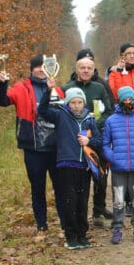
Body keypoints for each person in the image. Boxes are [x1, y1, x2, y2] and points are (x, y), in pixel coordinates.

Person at [0, 54, 65, 232]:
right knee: (37, 188)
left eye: (44, 66)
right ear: (31, 69)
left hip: (56, 148)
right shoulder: (20, 88)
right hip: (33, 147)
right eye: (37, 67)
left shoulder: (59, 89)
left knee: (61, 187)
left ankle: (65, 222)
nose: (41, 70)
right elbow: (1, 101)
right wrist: (1, 84)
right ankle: (42, 224)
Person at [38, 83, 101, 249]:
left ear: (84, 103)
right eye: (73, 102)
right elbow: (42, 111)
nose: (76, 105)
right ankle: (71, 236)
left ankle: (82, 235)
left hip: (84, 166)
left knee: (82, 201)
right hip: (66, 164)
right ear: (68, 103)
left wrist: (89, 141)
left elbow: (99, 141)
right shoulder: (60, 115)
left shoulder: (90, 119)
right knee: (69, 201)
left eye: (80, 102)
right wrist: (47, 90)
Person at [62, 56, 114, 225]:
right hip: (74, 142)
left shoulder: (100, 88)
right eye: (82, 68)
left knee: (100, 175)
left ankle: (98, 211)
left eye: (89, 68)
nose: (85, 71)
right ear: (77, 69)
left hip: (96, 138)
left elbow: (108, 112)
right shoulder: (68, 88)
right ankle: (75, 215)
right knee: (77, 180)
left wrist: (92, 126)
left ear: (93, 70)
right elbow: (61, 114)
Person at [102, 86, 134, 243]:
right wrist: (113, 158)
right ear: (120, 100)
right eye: (125, 98)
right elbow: (105, 144)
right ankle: (117, 228)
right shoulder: (111, 121)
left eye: (130, 98)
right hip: (118, 169)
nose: (128, 101)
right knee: (118, 200)